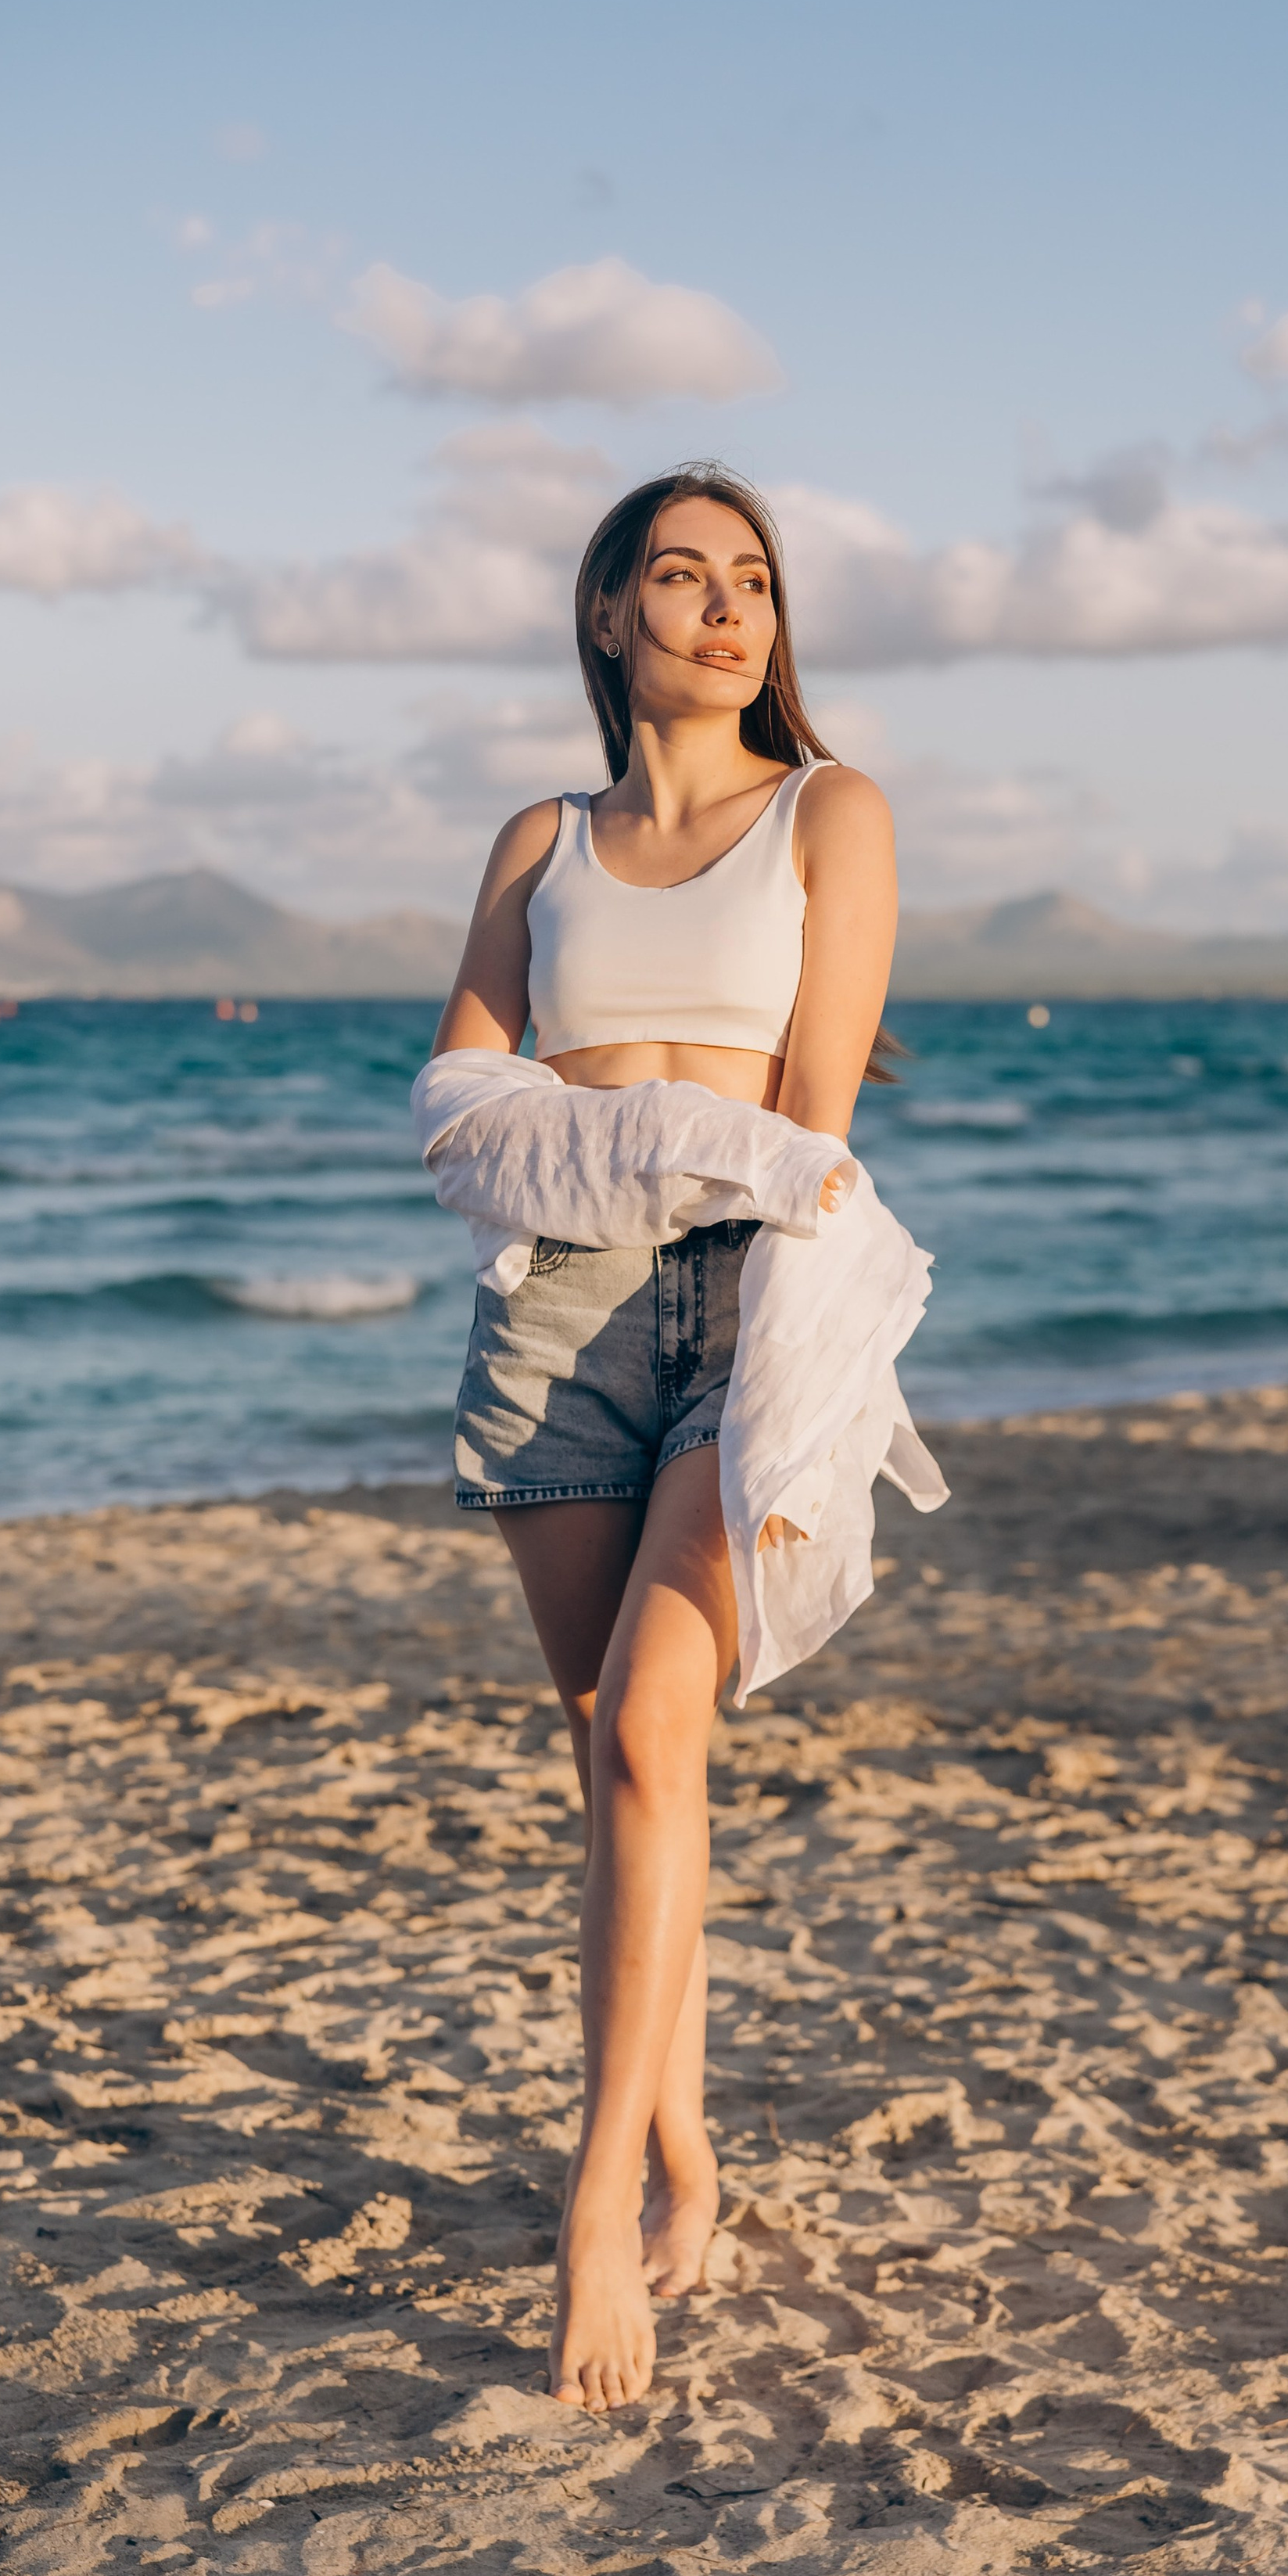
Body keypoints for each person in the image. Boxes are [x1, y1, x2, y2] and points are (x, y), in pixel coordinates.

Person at [430, 465, 902, 2414]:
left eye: (755, 583)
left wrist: (609, 1125)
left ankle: (599, 2195)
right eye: (682, 578)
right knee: (622, 1765)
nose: (726, 611)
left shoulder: (830, 814)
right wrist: (593, 1130)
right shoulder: (541, 835)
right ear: (610, 610)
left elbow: (805, 1144)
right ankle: (693, 2144)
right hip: (557, 1315)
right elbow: (456, 1092)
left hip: (749, 1306)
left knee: (647, 1730)